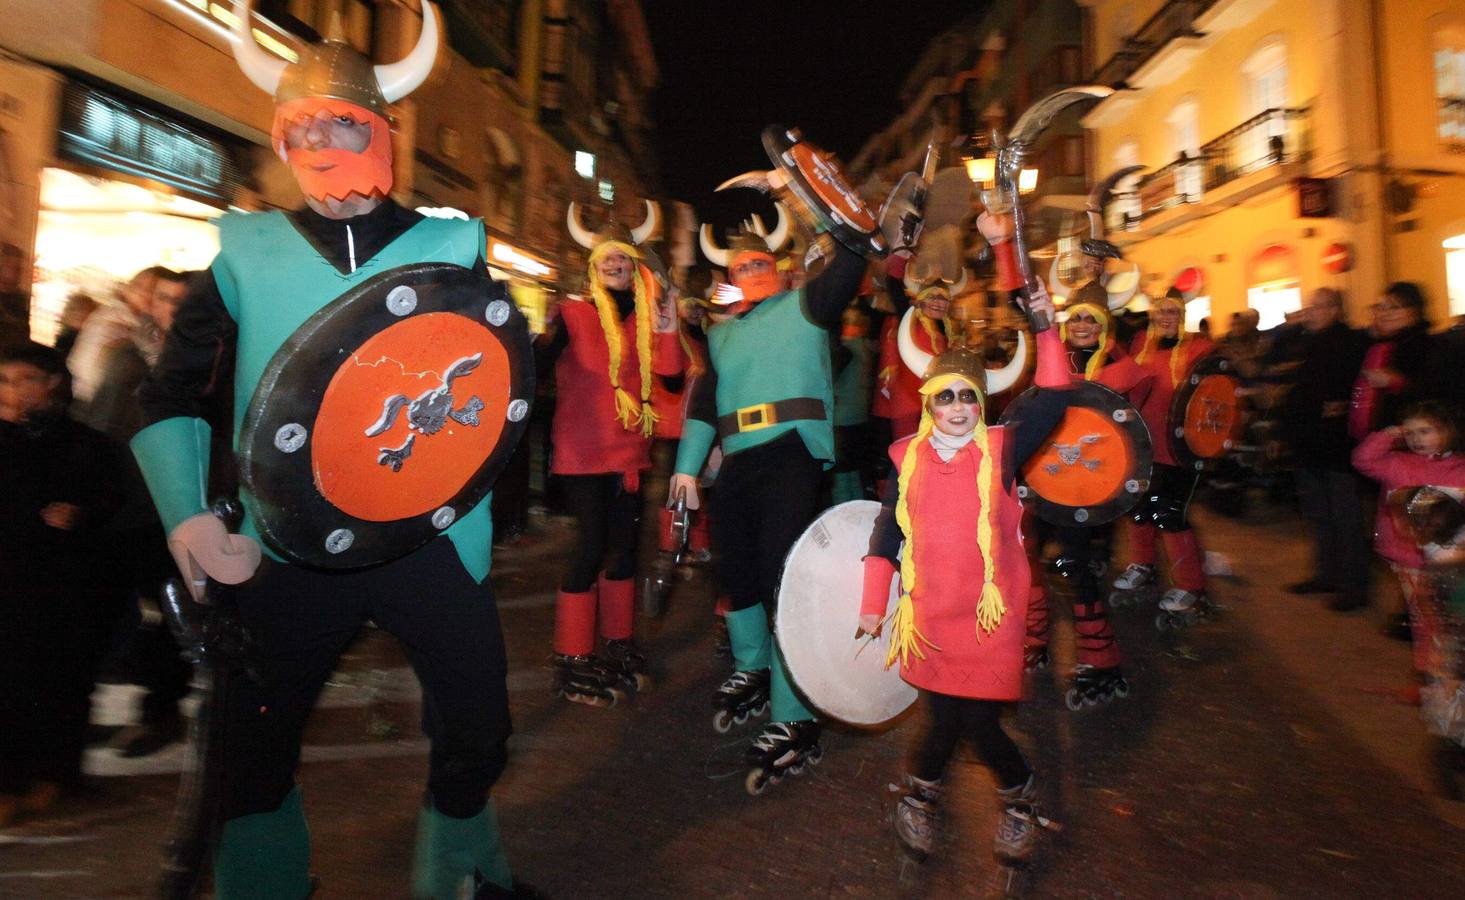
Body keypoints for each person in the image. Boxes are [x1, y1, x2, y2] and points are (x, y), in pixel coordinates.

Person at [129, 6, 525, 895]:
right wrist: (187, 516)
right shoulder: (242, 252)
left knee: (479, 727)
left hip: (425, 540)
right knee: (252, 744)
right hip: (285, 546)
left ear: (382, 130)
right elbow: (169, 391)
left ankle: (460, 874)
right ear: (279, 136)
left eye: (342, 122)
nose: (322, 142)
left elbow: (501, 377)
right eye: (301, 127)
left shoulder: (452, 244)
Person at [860, 282, 1064, 863]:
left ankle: (1017, 799)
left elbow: (1054, 396)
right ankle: (921, 796)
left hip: (987, 617)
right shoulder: (906, 457)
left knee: (977, 724)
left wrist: (1045, 327)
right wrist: (874, 604)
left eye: (967, 397)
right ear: (927, 403)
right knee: (944, 721)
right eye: (944, 397)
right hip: (930, 616)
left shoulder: (1002, 450)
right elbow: (887, 534)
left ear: (983, 403)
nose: (956, 408)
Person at [673, 217, 867, 789]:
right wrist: (686, 468)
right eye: (740, 267)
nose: (750, 271)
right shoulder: (723, 333)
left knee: (783, 574)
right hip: (739, 460)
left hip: (791, 453)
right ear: (729, 278)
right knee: (735, 568)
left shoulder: (805, 306)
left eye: (759, 263)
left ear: (776, 268)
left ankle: (795, 713)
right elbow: (706, 402)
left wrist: (840, 220)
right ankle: (754, 667)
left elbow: (847, 270)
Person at [542, 202, 682, 706]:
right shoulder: (574, 314)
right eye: (608, 259)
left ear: (634, 264)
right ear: (594, 265)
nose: (617, 266)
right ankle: (573, 657)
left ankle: (618, 643)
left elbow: (671, 379)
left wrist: (668, 326)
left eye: (624, 259)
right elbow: (534, 361)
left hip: (629, 454)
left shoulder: (646, 320)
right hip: (582, 454)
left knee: (625, 549)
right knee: (591, 546)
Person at [0, 342, 127, 825]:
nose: (13, 392)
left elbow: (110, 499)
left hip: (64, 587)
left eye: (23, 379)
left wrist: (81, 513)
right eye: (4, 381)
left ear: (52, 383)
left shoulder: (83, 443)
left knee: (59, 682)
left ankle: (54, 775)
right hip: (10, 583)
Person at [1022, 282, 1153, 706]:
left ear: (1103, 327)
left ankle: (1102, 662)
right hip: (1044, 478)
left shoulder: (1118, 364)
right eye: (1075, 317)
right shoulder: (1048, 356)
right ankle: (1034, 638)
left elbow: (1130, 411)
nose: (1081, 324)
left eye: (1090, 319)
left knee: (1079, 569)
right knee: (1028, 558)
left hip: (1091, 488)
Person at [1111, 289, 1217, 621]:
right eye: (1161, 311)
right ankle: (1143, 565)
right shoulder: (1141, 342)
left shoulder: (1200, 348)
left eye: (1173, 311)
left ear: (1183, 315)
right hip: (1143, 445)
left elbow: (1217, 395)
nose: (1167, 316)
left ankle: (1190, 585)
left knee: (1170, 516)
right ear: (1153, 315)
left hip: (1181, 450)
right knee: (1138, 509)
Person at [1351, 402, 1465, 699]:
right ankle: (1429, 680)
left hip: (1449, 561)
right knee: (1423, 622)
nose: (1417, 439)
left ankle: (1441, 682)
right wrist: (1390, 434)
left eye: (1425, 431)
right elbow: (1362, 460)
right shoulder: (1397, 462)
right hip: (1409, 559)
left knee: (1445, 623)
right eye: (1411, 432)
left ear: (1446, 431)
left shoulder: (1459, 469)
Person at [1278, 288, 1371, 611]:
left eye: (1318, 307)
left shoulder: (1348, 343)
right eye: (1310, 307)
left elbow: (1340, 395)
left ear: (1335, 309)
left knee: (1345, 518)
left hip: (1334, 447)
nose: (1311, 312)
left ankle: (1352, 586)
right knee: (1319, 515)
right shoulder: (1311, 342)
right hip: (1310, 446)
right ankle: (1325, 575)